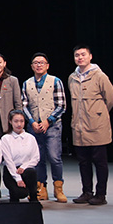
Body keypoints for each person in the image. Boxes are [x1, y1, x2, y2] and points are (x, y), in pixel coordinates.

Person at [68, 45, 113, 206]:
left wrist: (98, 114)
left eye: (83, 54)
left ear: (90, 56)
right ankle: (87, 192)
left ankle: (101, 194)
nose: (80, 57)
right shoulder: (72, 77)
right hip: (79, 126)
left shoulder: (100, 76)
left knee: (100, 162)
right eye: (77, 55)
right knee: (83, 162)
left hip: (97, 126)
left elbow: (110, 98)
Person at [22, 53, 67, 203]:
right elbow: (24, 106)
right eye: (36, 63)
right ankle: (41, 188)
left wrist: (49, 121)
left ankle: (58, 187)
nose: (39, 65)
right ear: (32, 66)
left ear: (47, 65)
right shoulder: (27, 83)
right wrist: (32, 122)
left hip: (52, 126)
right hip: (34, 126)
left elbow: (61, 105)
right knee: (38, 158)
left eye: (42, 62)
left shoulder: (56, 81)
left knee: (54, 157)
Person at [1, 110, 40, 203]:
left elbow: (36, 157)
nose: (19, 124)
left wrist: (24, 167)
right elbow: (8, 161)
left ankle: (34, 199)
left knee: (31, 172)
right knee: (20, 193)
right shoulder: (5, 138)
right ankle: (14, 197)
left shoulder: (30, 138)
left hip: (26, 170)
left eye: (21, 121)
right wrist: (17, 178)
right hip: (12, 171)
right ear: (10, 121)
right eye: (16, 121)